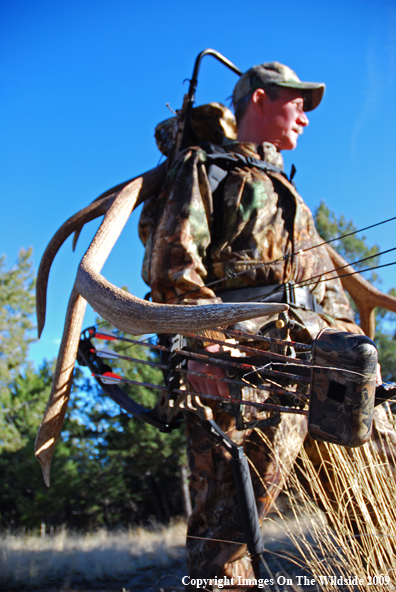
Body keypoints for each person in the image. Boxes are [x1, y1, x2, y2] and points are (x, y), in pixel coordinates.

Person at [138, 62, 369, 590]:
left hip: (320, 364)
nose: (306, 119)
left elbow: (323, 286)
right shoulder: (207, 166)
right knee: (230, 528)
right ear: (260, 99)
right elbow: (172, 266)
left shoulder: (289, 191)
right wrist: (206, 347)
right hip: (241, 364)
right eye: (298, 103)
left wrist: (357, 353)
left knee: (368, 498)